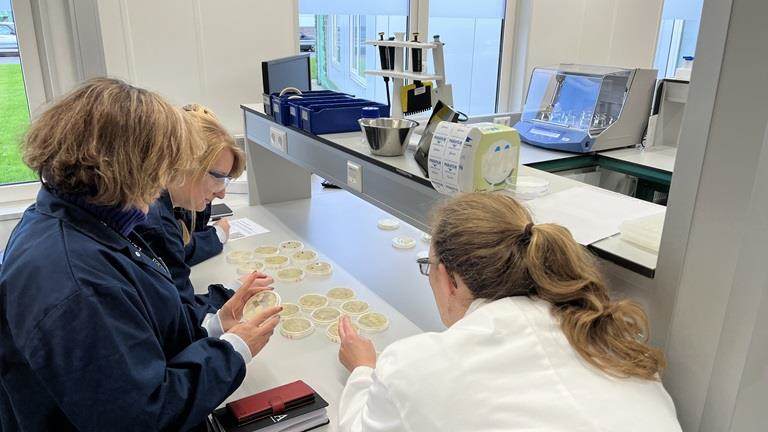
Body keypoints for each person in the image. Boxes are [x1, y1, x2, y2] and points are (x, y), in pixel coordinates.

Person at [0, 78, 282, 431]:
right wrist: (234, 350)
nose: (166, 180)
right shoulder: (77, 284)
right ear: (130, 166)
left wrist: (213, 324)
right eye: (165, 165)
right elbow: (142, 415)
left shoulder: (89, 223)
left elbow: (142, 331)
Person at [336, 193, 682, 431]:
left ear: (450, 279)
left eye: (429, 267)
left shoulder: (416, 368)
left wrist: (363, 370)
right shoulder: (605, 338)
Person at [135, 104, 245, 318]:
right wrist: (232, 293)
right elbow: (184, 314)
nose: (222, 194)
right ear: (185, 164)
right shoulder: (156, 221)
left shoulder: (161, 204)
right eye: (218, 178)